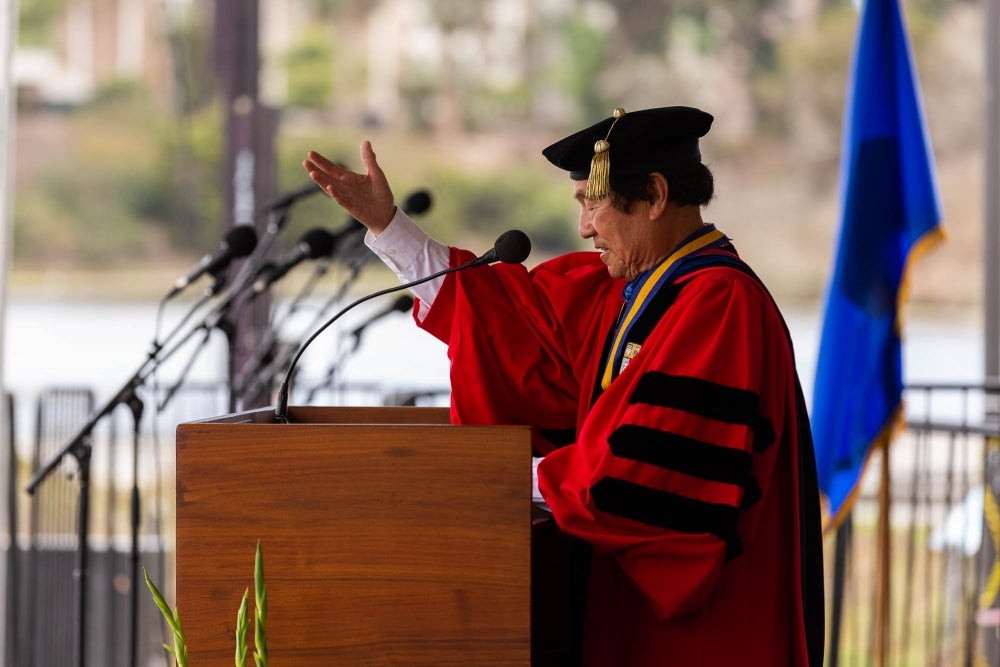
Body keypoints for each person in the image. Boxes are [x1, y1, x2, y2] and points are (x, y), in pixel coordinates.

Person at [303, 105, 825, 667]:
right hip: (631, 611)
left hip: (709, 632)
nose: (584, 228)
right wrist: (390, 228)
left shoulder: (720, 304)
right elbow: (507, 323)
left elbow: (647, 474)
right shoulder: (636, 291)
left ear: (653, 194)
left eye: (594, 203)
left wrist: (491, 475)